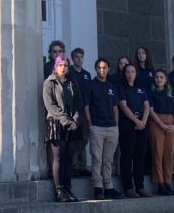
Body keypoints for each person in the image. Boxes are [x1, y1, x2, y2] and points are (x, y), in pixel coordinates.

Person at [42, 54, 81, 202]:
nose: (63, 68)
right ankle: (59, 191)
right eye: (60, 65)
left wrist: (76, 120)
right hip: (56, 123)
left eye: (65, 65)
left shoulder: (72, 82)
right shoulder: (49, 83)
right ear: (55, 66)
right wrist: (66, 120)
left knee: (68, 158)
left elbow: (78, 103)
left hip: (72, 124)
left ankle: (68, 188)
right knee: (58, 158)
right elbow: (50, 105)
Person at [85, 57, 122, 200]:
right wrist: (90, 125)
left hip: (112, 128)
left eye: (104, 67)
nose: (102, 70)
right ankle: (97, 188)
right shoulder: (91, 85)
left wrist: (116, 126)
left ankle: (109, 187)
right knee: (97, 159)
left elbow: (115, 107)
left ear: (108, 69)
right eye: (99, 68)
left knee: (108, 160)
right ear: (96, 69)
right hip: (97, 127)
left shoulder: (112, 86)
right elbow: (86, 107)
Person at [117, 62, 152, 198]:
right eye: (127, 72)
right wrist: (136, 121)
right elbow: (123, 106)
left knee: (140, 155)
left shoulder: (141, 88)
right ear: (124, 74)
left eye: (132, 72)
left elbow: (147, 106)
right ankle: (128, 187)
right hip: (127, 124)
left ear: (136, 74)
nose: (130, 74)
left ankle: (140, 186)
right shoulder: (121, 88)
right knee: (127, 155)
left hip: (142, 124)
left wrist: (143, 121)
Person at [147, 69, 174, 195]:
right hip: (157, 122)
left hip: (171, 123)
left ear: (166, 80)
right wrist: (162, 125)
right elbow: (151, 110)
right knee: (158, 153)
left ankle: (167, 181)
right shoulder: (151, 92)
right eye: (157, 77)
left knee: (168, 154)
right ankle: (160, 183)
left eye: (161, 77)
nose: (159, 79)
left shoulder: (170, 92)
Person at [69, 47, 93, 177]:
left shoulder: (87, 75)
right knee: (74, 139)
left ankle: (82, 165)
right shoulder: (69, 72)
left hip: (85, 110)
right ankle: (74, 166)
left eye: (81, 57)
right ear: (72, 58)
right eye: (77, 57)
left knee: (84, 138)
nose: (79, 59)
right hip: (73, 110)